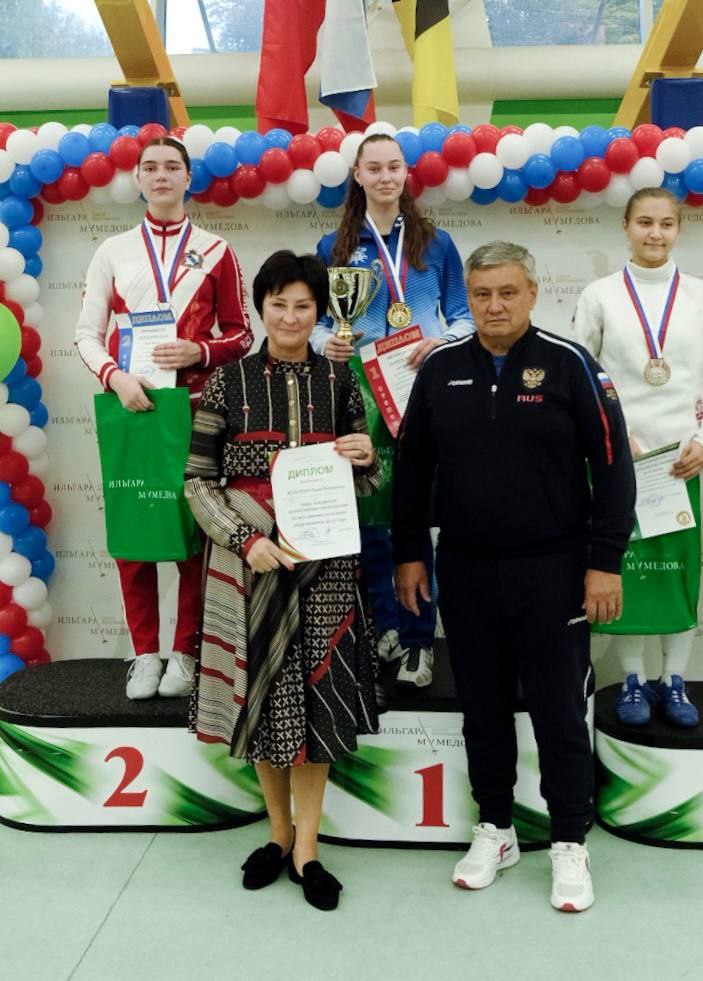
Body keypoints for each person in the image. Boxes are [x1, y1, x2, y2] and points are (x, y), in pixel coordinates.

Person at [393, 241, 635, 912]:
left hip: (554, 569)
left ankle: (569, 840)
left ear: (532, 293)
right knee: (482, 708)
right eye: (481, 294)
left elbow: (613, 465)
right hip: (465, 567)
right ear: (467, 299)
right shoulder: (440, 367)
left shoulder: (570, 363)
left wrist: (605, 561)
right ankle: (495, 828)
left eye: (507, 292)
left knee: (559, 710)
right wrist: (409, 552)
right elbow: (410, 468)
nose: (494, 305)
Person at [184, 251, 380, 911]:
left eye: (303, 306)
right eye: (278, 305)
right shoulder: (225, 382)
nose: (291, 317)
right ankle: (277, 832)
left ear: (319, 311)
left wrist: (366, 456)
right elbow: (198, 482)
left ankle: (308, 849)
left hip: (326, 564)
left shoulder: (340, 380)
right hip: (251, 563)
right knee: (265, 699)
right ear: (261, 308)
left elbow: (365, 478)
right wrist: (245, 539)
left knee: (318, 700)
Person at [75, 136, 253, 701]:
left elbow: (242, 336)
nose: (161, 176)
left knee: (192, 536)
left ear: (187, 178)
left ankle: (186, 651)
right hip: (131, 408)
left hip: (196, 413)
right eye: (150, 167)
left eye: (172, 167)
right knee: (134, 535)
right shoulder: (112, 251)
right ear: (138, 179)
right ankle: (144, 654)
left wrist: (200, 352)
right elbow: (85, 335)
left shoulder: (217, 250)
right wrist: (115, 377)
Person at [311, 133, 475, 689]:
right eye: (374, 168)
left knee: (416, 516)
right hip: (359, 391)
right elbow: (318, 323)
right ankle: (384, 627)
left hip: (420, 387)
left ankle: (419, 640)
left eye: (394, 167)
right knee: (369, 518)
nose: (385, 177)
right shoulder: (333, 246)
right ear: (357, 175)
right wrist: (326, 343)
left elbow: (464, 318)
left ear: (406, 174)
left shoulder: (437, 243)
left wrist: (442, 341)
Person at [572, 187, 703, 728]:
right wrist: (617, 443)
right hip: (623, 458)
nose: (655, 233)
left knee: (679, 569)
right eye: (644, 222)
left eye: (665, 223)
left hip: (686, 460)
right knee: (629, 567)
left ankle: (675, 680)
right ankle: (633, 678)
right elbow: (583, 379)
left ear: (678, 229)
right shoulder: (599, 296)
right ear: (626, 227)